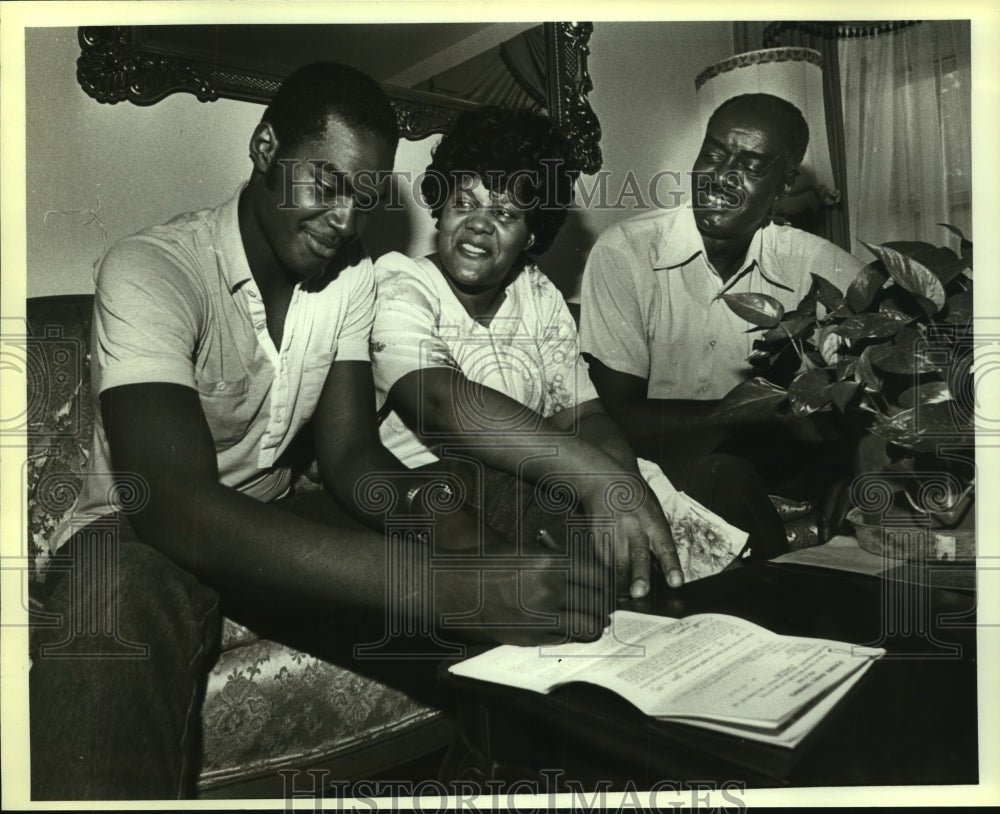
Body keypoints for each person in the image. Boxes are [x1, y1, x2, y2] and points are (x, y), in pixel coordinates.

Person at [29, 65, 607, 801]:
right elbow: (175, 508)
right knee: (113, 592)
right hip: (143, 535)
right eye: (325, 185)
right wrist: (453, 588)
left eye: (364, 200)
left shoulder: (350, 278)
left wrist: (464, 537)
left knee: (484, 490)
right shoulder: (152, 268)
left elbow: (349, 456)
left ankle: (557, 753)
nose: (343, 219)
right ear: (264, 147)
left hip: (274, 513)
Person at [371, 107, 699, 602]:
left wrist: (621, 486)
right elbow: (438, 404)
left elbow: (585, 415)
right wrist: (594, 477)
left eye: (505, 214)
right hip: (433, 497)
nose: (479, 225)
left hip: (532, 477)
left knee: (714, 482)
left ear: (532, 235)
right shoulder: (399, 280)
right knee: (552, 513)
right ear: (439, 209)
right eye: (465, 203)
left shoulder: (537, 295)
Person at [579, 93, 867, 553]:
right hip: (671, 465)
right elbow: (614, 416)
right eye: (713, 154)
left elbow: (880, 398)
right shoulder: (626, 252)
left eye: (751, 166)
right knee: (723, 474)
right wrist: (763, 416)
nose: (720, 176)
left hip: (785, 469)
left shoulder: (822, 266)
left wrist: (860, 477)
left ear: (784, 185)